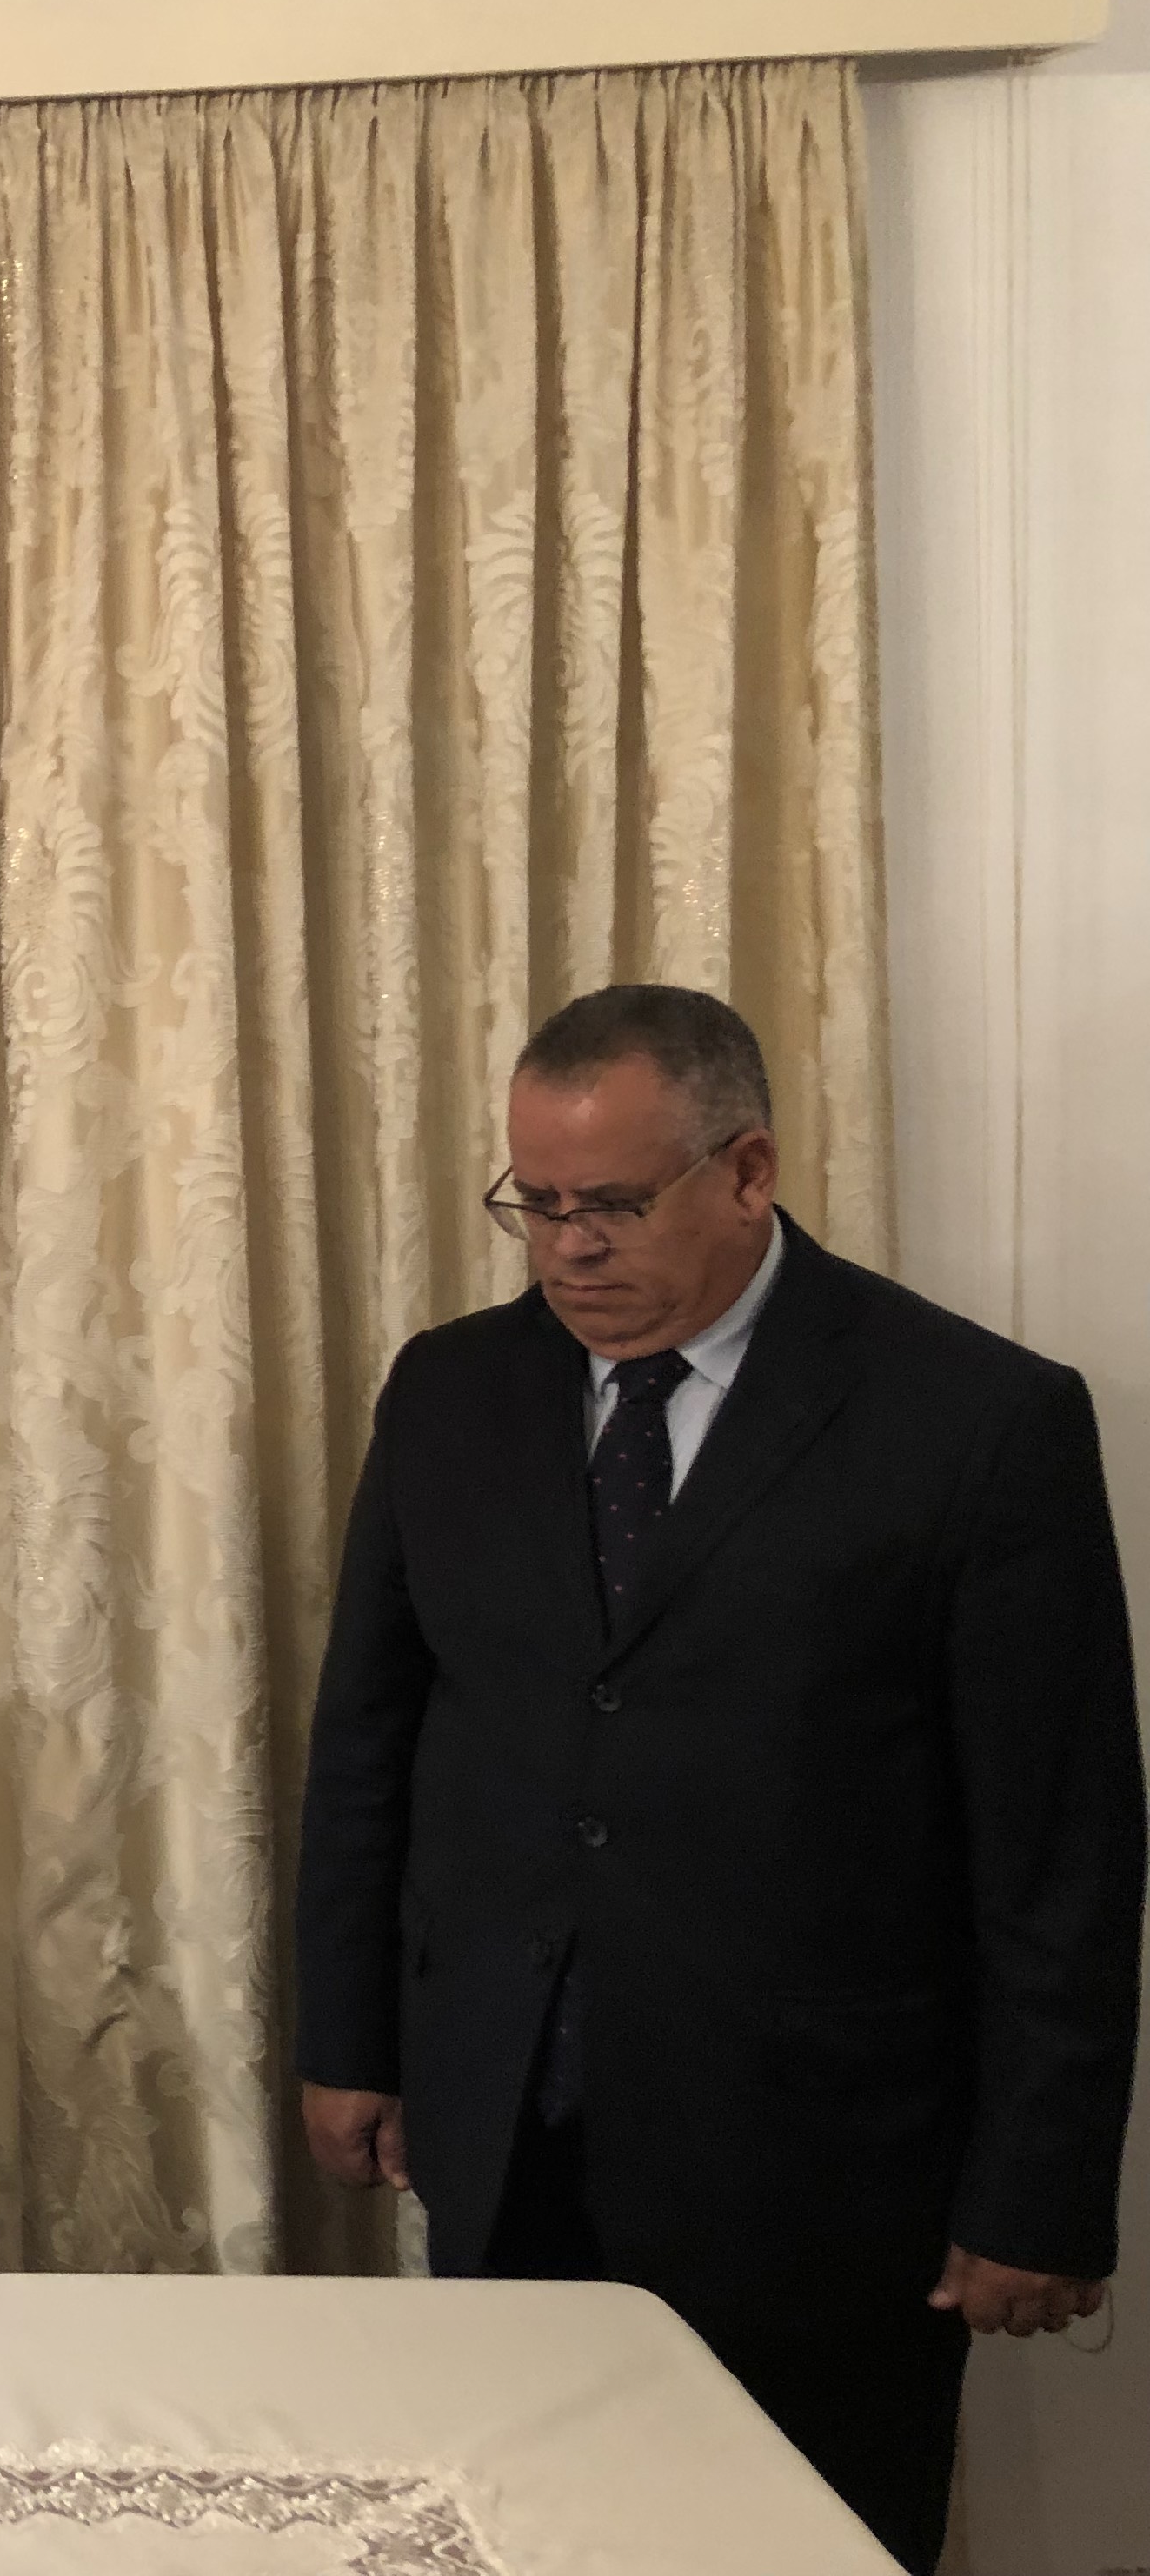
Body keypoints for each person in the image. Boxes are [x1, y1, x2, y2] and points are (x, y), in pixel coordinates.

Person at [294, 985, 1143, 2573]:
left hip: (820, 2170)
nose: (568, 1250)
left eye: (613, 1204)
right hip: (507, 2122)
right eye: (536, 1204)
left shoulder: (976, 1419)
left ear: (747, 1169)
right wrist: (349, 2038)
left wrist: (1036, 2190)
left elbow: (1060, 1851)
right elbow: (371, 1741)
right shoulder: (449, 1391)